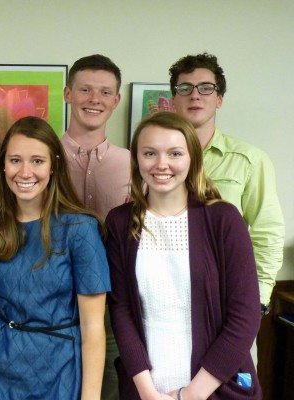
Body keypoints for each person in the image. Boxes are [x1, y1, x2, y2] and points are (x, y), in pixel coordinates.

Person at [106, 111, 261, 399]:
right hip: (146, 388)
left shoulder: (223, 219)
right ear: (137, 159)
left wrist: (190, 395)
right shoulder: (120, 222)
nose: (161, 164)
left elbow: (245, 317)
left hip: (215, 389)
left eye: (175, 153)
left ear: (192, 159)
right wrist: (148, 391)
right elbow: (121, 311)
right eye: (150, 153)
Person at [0, 116, 110, 399]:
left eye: (37, 161)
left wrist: (91, 397)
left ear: (53, 166)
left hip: (60, 367)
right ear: (3, 165)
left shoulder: (80, 229)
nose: (25, 172)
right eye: (15, 160)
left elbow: (94, 327)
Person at [169, 53, 284, 316]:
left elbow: (267, 232)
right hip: (168, 293)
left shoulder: (249, 160)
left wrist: (259, 296)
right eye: (184, 88)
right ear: (174, 100)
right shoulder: (152, 159)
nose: (195, 95)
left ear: (219, 99)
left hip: (228, 294)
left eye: (206, 88)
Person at [61, 54, 130, 399]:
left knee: (107, 389)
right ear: (67, 93)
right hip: (50, 306)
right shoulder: (40, 159)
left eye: (105, 92)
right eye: (85, 89)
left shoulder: (135, 165)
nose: (94, 99)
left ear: (116, 101)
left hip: (113, 305)